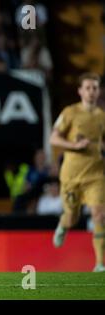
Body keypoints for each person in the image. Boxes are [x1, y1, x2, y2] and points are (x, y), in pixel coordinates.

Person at [50, 72, 105, 272]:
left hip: (96, 175)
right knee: (72, 217)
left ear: (99, 91)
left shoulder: (102, 116)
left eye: (95, 88)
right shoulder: (70, 113)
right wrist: (74, 145)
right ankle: (63, 226)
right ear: (80, 91)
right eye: (88, 88)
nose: (91, 92)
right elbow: (53, 139)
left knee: (99, 214)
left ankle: (99, 264)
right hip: (72, 176)